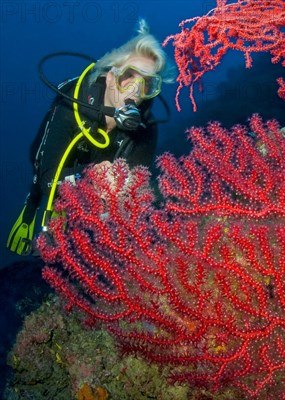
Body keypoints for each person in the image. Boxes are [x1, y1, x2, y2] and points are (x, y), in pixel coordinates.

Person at [7, 19, 173, 255]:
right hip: (57, 171)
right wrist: (89, 176)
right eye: (129, 76)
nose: (135, 91)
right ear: (110, 76)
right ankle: (32, 207)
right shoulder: (70, 105)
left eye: (148, 83)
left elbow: (139, 187)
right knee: (45, 191)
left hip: (95, 195)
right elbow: (47, 178)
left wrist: (122, 194)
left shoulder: (147, 128)